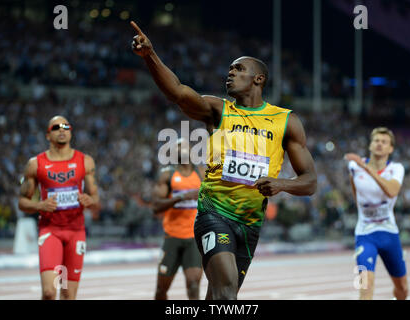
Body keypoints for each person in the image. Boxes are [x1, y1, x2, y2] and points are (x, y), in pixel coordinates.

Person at [130, 21, 317, 300]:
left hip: (250, 223)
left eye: (239, 69)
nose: (230, 73)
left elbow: (310, 181)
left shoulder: (286, 121)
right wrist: (150, 56)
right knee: (227, 292)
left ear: (258, 79)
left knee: (217, 296)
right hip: (214, 214)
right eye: (230, 69)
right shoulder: (218, 110)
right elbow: (178, 92)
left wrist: (281, 184)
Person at [18, 115, 100, 300]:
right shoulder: (35, 164)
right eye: (56, 127)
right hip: (50, 230)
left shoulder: (85, 161)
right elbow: (22, 202)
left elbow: (96, 198)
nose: (62, 130)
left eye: (66, 126)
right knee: (49, 292)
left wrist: (90, 200)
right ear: (48, 135)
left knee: (68, 294)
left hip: (76, 231)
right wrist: (39, 205)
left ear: (71, 132)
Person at [345, 127, 408, 300]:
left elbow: (392, 191)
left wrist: (366, 168)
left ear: (391, 149)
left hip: (389, 235)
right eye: (376, 141)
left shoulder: (397, 168)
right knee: (366, 286)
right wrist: (362, 167)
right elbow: (355, 193)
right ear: (370, 145)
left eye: (384, 142)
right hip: (365, 235)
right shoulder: (354, 167)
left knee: (402, 287)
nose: (379, 144)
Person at [152, 138, 204, 300]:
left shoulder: (201, 173)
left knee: (194, 283)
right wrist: (180, 197)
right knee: (161, 289)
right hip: (172, 237)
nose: (182, 149)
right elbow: (155, 206)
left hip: (193, 238)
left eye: (185, 146)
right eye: (178, 147)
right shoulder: (167, 174)